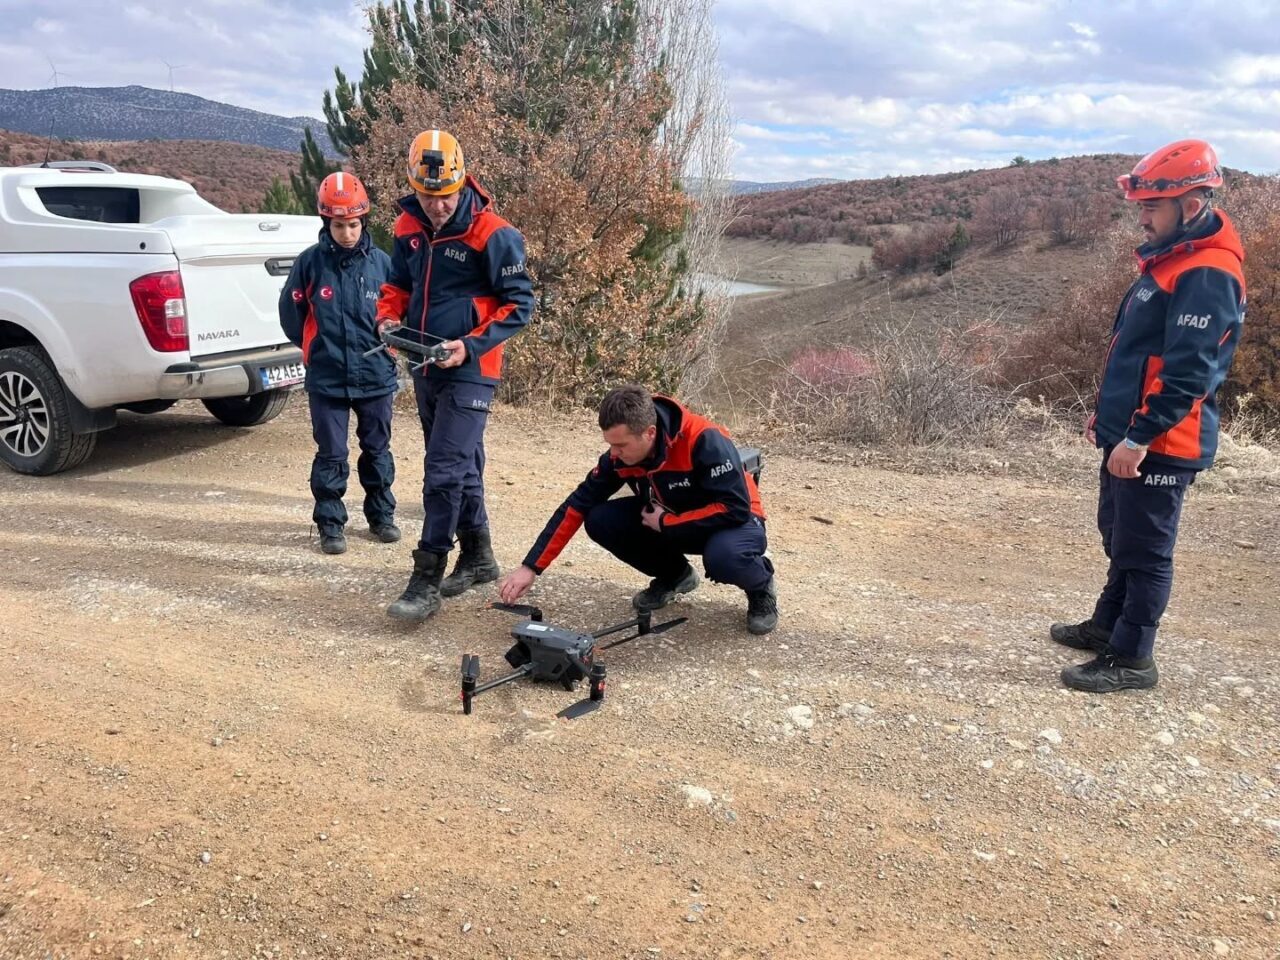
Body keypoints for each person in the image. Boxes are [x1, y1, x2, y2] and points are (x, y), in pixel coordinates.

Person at [1052, 139, 1246, 693]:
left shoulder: (1206, 273)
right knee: (1122, 537)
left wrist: (1137, 437)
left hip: (1162, 442)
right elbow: (1136, 355)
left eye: (1151, 207)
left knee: (1146, 551)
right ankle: (1107, 625)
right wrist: (1107, 421)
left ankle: (1133, 657)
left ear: (1192, 205)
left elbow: (1187, 374)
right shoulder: (1173, 260)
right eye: (1140, 206)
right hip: (1133, 434)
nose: (1143, 217)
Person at [375, 129, 534, 620]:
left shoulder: (494, 233)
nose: (437, 207)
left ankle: (425, 577)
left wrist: (469, 345)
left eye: (444, 197)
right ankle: (479, 555)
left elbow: (520, 305)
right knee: (461, 465)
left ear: (463, 183)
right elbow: (398, 284)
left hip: (473, 368)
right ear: (413, 187)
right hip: (423, 361)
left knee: (443, 470)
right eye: (427, 196)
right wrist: (387, 317)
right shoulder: (407, 226)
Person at [498, 384, 779, 634]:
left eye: (620, 445)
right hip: (670, 518)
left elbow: (735, 508)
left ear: (650, 433)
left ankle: (760, 586)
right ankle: (676, 576)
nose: (614, 454)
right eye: (610, 445)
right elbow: (578, 504)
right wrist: (531, 566)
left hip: (733, 521)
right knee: (600, 519)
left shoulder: (704, 439)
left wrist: (668, 522)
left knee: (724, 557)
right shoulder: (619, 456)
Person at [279, 172, 399, 555]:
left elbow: (400, 313)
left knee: (377, 449)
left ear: (363, 222)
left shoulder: (383, 264)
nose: (346, 232)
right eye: (338, 225)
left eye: (353, 224)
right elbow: (291, 313)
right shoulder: (310, 264)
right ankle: (331, 525)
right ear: (325, 223)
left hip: (376, 376)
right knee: (331, 454)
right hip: (327, 378)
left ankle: (381, 517)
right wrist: (315, 349)